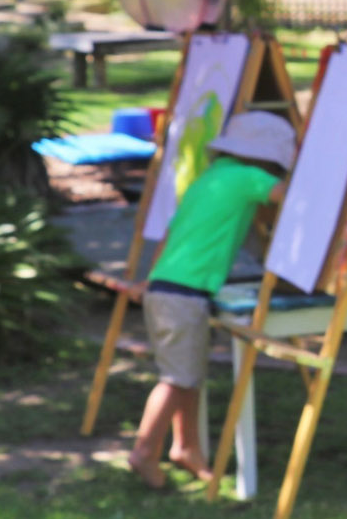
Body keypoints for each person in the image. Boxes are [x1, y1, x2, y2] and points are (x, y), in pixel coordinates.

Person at [125, 111, 296, 489]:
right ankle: (144, 450)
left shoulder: (208, 180)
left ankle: (186, 448)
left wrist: (149, 279)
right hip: (184, 292)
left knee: (188, 375)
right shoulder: (249, 178)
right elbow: (295, 199)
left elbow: (171, 233)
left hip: (168, 288)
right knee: (175, 378)